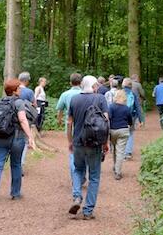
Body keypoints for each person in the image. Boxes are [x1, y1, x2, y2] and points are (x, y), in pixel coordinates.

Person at [67, 75, 109, 220]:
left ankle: (77, 197)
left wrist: (70, 141)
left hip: (78, 142)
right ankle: (88, 211)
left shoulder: (74, 99)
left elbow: (69, 123)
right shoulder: (100, 99)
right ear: (94, 86)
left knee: (78, 170)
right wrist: (105, 142)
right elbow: (106, 121)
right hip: (95, 143)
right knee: (94, 176)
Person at [0, 79, 34, 205]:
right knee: (16, 164)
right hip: (16, 138)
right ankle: (15, 193)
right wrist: (30, 136)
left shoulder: (0, 102)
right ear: (14, 90)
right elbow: (23, 120)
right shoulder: (19, 103)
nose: (20, 90)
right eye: (19, 88)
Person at [56, 73, 82, 181]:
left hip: (70, 125)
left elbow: (60, 109)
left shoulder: (65, 94)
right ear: (81, 82)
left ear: (70, 82)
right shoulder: (84, 93)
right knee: (83, 149)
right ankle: (81, 175)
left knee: (72, 149)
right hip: (83, 125)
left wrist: (59, 120)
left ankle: (75, 175)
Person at [109, 89, 133, 180]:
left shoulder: (111, 107)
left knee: (115, 149)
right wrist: (129, 125)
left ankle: (116, 167)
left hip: (113, 131)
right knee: (120, 151)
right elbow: (130, 120)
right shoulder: (126, 108)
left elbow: (109, 118)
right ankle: (117, 172)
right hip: (123, 131)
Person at [18, 71, 36, 175]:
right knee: (25, 142)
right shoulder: (29, 92)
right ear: (26, 80)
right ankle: (20, 164)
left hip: (14, 119)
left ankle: (15, 163)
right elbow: (34, 104)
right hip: (26, 119)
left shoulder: (14, 89)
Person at [122, 78, 143, 160]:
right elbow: (138, 107)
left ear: (123, 85)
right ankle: (128, 153)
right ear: (131, 86)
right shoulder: (133, 94)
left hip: (121, 117)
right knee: (130, 134)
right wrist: (141, 120)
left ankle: (122, 152)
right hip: (131, 117)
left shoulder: (120, 93)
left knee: (122, 134)